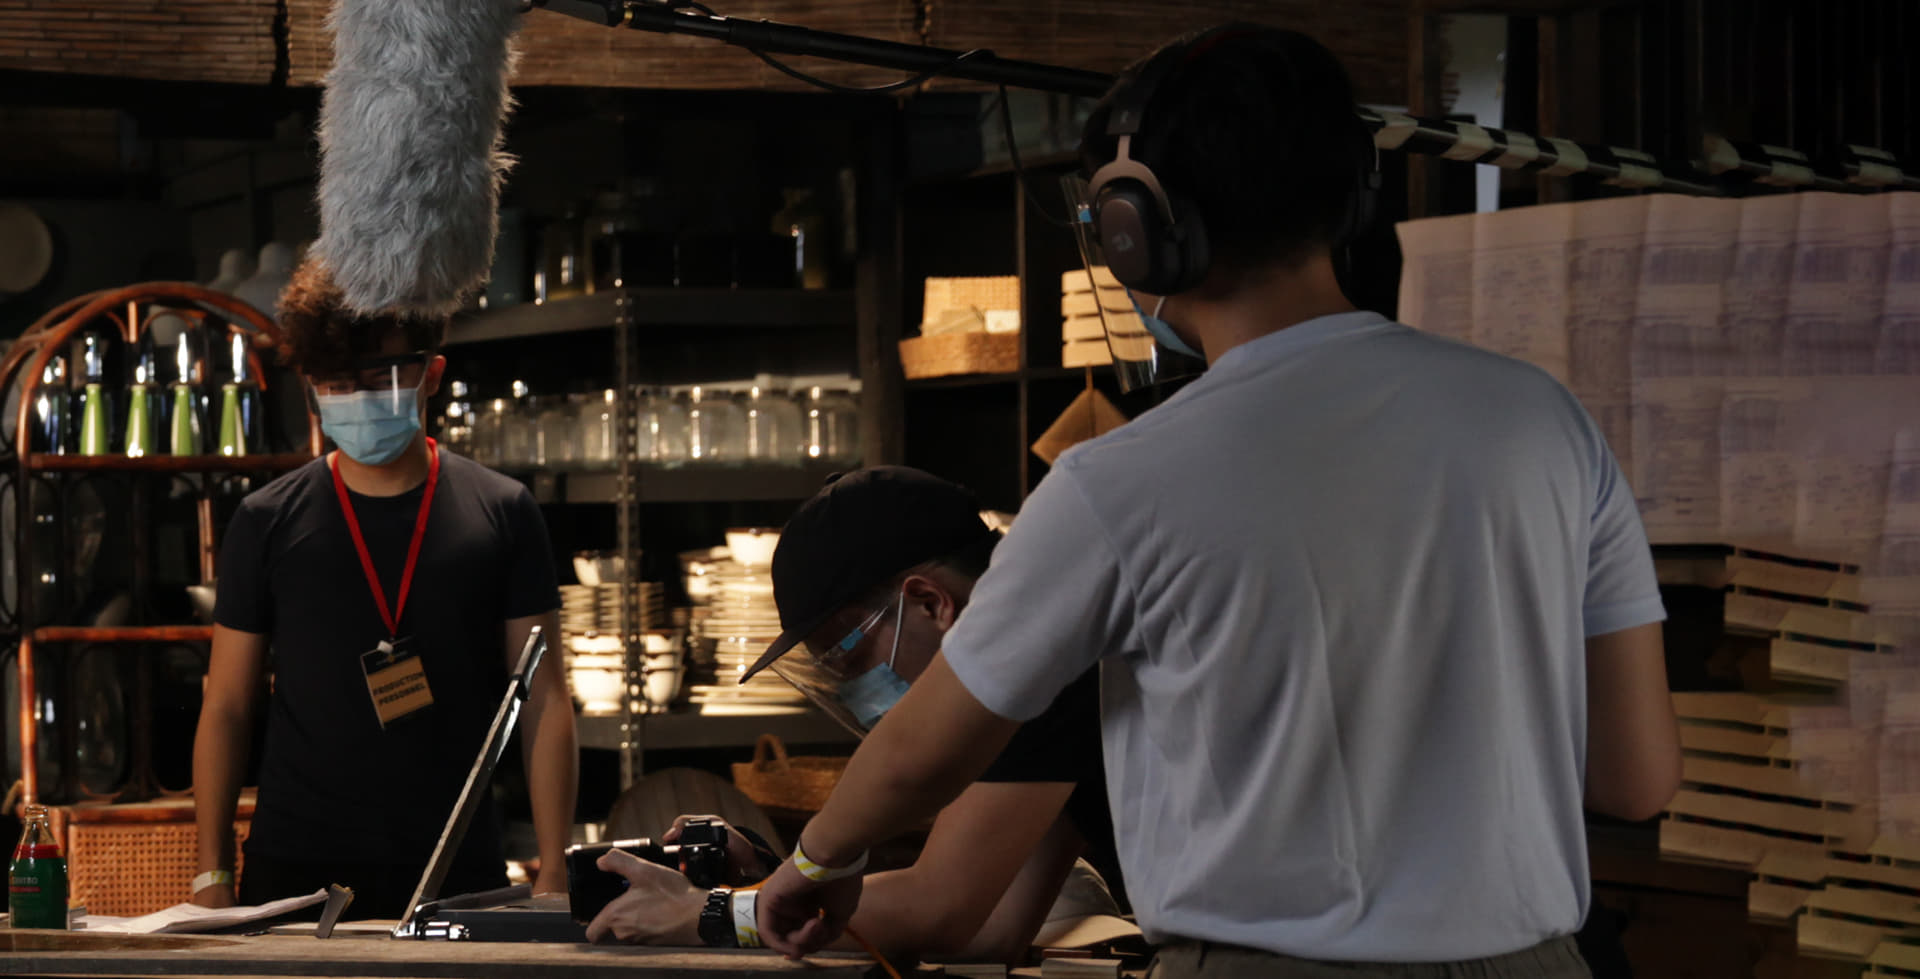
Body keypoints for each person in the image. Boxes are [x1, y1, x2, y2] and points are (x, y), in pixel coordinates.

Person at [751, 25, 1682, 979]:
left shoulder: (1117, 483)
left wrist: (817, 861)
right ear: (1350, 194)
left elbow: (921, 753)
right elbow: (1635, 778)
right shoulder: (1547, 422)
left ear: (1133, 225)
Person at [584, 467, 1126, 965]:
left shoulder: (1035, 662)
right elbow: (991, 925)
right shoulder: (1049, 657)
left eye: (850, 657)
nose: (855, 692)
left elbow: (938, 907)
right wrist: (772, 884)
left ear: (930, 603)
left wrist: (709, 914)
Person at [191, 259, 577, 917]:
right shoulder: (266, 520)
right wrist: (211, 871)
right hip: (296, 873)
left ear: (433, 373)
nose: (361, 398)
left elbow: (544, 698)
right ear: (313, 389)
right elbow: (227, 704)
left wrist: (554, 870)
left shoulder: (503, 511)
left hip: (458, 868)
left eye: (381, 377)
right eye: (338, 383)